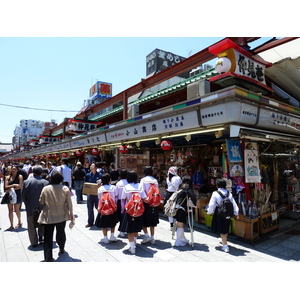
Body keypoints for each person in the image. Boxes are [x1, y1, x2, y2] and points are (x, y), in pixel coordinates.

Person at [38, 171, 74, 262]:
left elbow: (41, 202)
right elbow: (69, 203)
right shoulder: (65, 188)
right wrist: (71, 215)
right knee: (61, 232)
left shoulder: (45, 188)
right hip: (61, 213)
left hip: (49, 214)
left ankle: (48, 257)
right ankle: (61, 248)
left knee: (48, 236)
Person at [207, 178, 239, 253]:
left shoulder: (215, 193)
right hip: (227, 212)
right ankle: (223, 240)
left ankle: (225, 246)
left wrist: (209, 211)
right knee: (225, 227)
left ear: (217, 185)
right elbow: (234, 204)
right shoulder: (229, 193)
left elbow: (212, 204)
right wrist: (236, 213)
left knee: (222, 229)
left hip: (219, 212)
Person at [22, 165, 49, 248]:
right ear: (41, 172)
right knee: (43, 223)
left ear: (32, 172)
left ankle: (34, 242)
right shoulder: (45, 182)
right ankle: (42, 238)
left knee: (31, 225)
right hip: (42, 207)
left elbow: (23, 196)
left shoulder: (26, 182)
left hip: (30, 207)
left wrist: (27, 203)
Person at [121, 171, 146, 254]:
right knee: (136, 227)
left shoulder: (126, 187)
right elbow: (144, 198)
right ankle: (134, 241)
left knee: (130, 229)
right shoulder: (140, 186)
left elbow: (123, 199)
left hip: (129, 211)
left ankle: (132, 247)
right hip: (139, 210)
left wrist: (122, 209)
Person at [172, 175, 197, 247]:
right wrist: (194, 204)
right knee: (180, 225)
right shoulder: (188, 188)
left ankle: (182, 238)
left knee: (180, 224)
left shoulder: (181, 187)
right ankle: (178, 241)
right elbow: (193, 197)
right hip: (180, 208)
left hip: (176, 207)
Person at [95, 173, 119, 243]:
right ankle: (112, 236)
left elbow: (99, 198)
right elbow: (116, 196)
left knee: (103, 223)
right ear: (109, 180)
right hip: (112, 207)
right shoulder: (113, 187)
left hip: (103, 208)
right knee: (112, 223)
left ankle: (105, 237)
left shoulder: (100, 189)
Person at [140, 166, 160, 245]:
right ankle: (152, 237)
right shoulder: (155, 180)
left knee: (143, 220)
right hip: (154, 202)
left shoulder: (143, 180)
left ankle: (146, 235)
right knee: (153, 221)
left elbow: (141, 191)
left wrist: (144, 199)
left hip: (146, 202)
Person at [4, 165, 24, 230]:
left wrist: (10, 188)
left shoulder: (19, 176)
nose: (13, 170)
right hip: (9, 195)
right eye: (12, 169)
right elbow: (6, 187)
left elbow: (20, 186)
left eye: (15, 169)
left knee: (16, 209)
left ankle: (19, 221)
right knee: (10, 210)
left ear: (17, 170)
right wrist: (14, 185)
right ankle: (11, 225)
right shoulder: (7, 177)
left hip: (17, 194)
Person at [84, 162, 102, 228]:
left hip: (97, 194)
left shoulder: (99, 175)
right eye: (91, 166)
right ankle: (90, 222)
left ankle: (100, 221)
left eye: (93, 166)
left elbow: (102, 183)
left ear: (96, 168)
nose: (91, 167)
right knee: (90, 209)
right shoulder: (88, 175)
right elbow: (85, 183)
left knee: (99, 208)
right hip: (90, 194)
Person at [115, 169, 128, 237]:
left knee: (121, 216)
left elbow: (116, 193)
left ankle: (122, 230)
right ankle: (125, 229)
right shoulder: (128, 183)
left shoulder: (118, 183)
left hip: (120, 201)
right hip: (128, 201)